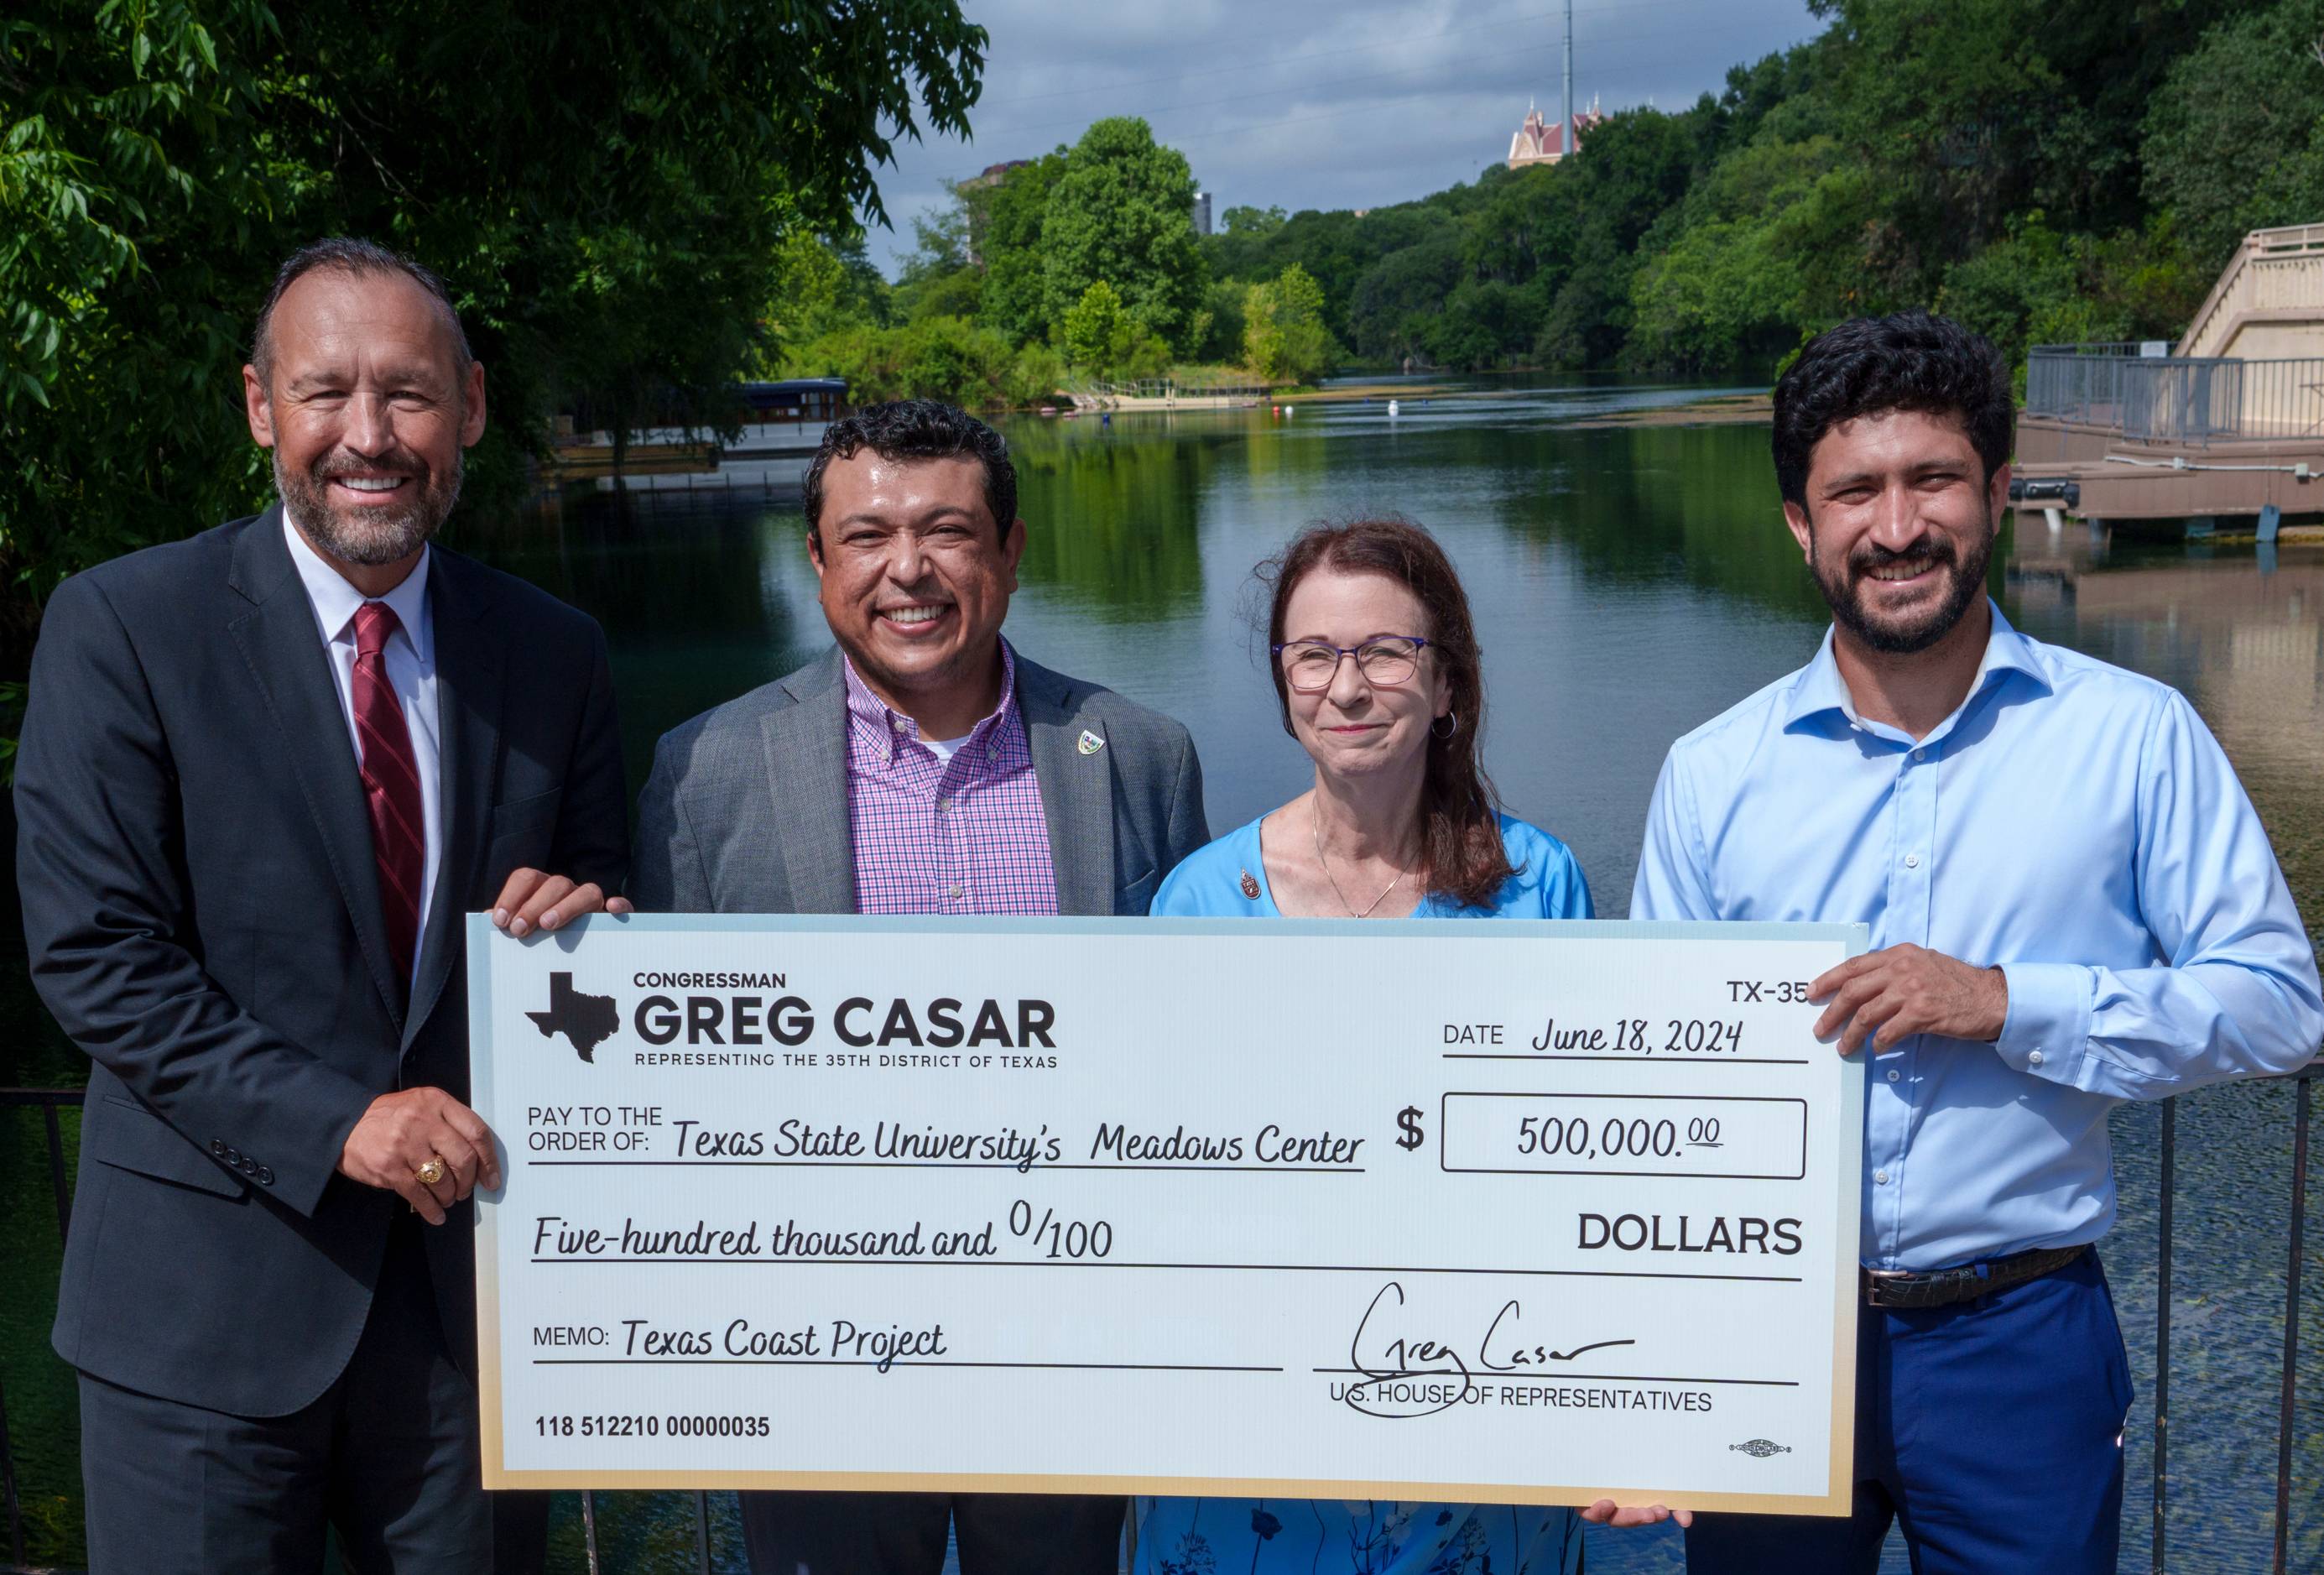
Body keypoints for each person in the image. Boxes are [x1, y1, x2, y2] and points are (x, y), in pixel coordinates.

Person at [1628, 310, 2323, 1574]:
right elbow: (1657, 1099)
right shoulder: (1708, 773)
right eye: (1853, 492)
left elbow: (2278, 1003)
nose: (1896, 528)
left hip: (2022, 1336)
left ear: (1996, 494)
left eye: (1931, 479)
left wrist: (2009, 1001)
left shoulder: (2136, 737)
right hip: (1767, 1334)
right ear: (1800, 522)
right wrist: (1640, 1376)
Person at [15, 238, 631, 1573]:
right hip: (196, 1331)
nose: (369, 436)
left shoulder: (553, 652)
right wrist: (340, 1122)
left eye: (408, 394)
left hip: (475, 1325)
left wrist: (597, 926)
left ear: (468, 408)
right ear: (259, 409)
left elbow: (599, 933)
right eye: (326, 392)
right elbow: (97, 958)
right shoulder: (121, 626)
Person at [630, 398, 1209, 1575]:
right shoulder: (706, 769)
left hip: (1068, 1330)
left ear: (1009, 549)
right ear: (815, 559)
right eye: (866, 536)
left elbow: (1192, 1052)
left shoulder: (1138, 752)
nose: (909, 570)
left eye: (947, 531)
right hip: (818, 1344)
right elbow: (664, 1077)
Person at [1135, 517, 1590, 1575]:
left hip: (1476, 1437)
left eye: (1387, 651)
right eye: (1314, 655)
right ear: (1283, 679)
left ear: (1448, 686)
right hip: (1254, 1458)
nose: (1348, 686)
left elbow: (1578, 1165)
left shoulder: (1541, 884)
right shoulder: (1197, 902)